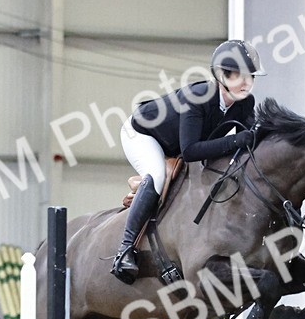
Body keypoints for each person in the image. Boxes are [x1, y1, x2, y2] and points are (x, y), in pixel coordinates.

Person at [111, 39, 267, 284]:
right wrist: (238, 141)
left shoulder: (245, 103)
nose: (246, 83)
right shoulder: (199, 97)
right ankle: (125, 250)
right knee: (157, 174)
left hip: (179, 144)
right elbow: (192, 151)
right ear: (221, 75)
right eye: (239, 76)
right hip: (143, 134)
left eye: (250, 77)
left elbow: (246, 150)